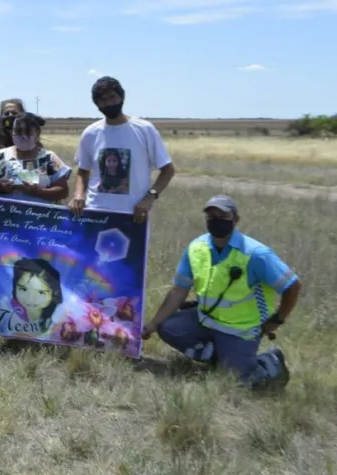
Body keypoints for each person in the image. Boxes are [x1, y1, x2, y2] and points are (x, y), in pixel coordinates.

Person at [143, 196, 299, 390]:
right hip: (205, 319)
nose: (216, 220)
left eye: (222, 215)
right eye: (211, 216)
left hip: (240, 329)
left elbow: (292, 286)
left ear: (236, 219)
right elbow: (179, 291)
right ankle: (221, 358)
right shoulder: (196, 248)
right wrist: (152, 324)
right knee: (168, 327)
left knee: (236, 383)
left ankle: (270, 363)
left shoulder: (256, 254)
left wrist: (277, 319)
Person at [68, 76, 176, 223]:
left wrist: (149, 198)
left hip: (133, 215)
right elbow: (83, 170)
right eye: (103, 100)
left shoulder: (144, 129)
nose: (109, 103)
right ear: (97, 104)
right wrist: (78, 195)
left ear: (121, 97)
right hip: (94, 213)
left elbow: (168, 170)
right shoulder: (91, 133)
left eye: (112, 97)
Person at [0, 113, 70, 204]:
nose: (22, 136)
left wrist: (38, 192)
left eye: (27, 132)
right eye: (17, 132)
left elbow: (63, 191)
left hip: (38, 215)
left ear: (37, 133)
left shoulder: (49, 158)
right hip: (4, 213)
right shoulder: (0, 156)